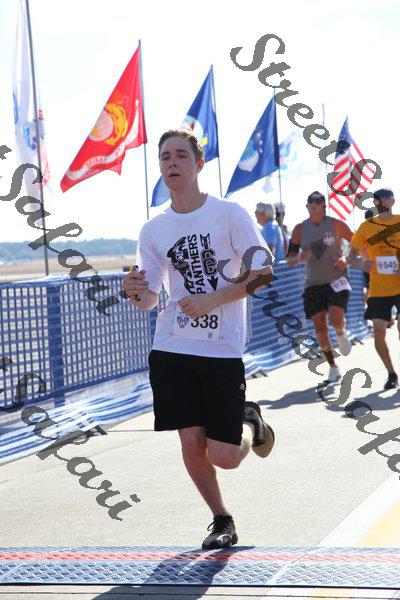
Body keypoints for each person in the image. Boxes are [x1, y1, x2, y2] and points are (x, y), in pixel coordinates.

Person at [123, 128, 275, 550]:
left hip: (221, 348)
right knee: (191, 442)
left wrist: (213, 299)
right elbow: (150, 299)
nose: (172, 163)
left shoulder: (229, 215)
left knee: (225, 456)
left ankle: (250, 420)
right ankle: (221, 519)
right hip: (171, 346)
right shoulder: (153, 229)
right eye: (165, 157)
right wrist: (135, 290)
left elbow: (263, 273)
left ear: (199, 163)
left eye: (181, 155)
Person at [286, 191, 353, 383]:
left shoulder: (336, 224)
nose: (314, 204)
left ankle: (340, 332)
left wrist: (346, 259)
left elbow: (357, 242)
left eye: (318, 201)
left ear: (324, 206)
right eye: (310, 201)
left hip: (336, 279)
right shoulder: (300, 229)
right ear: (307, 206)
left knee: (336, 320)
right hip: (313, 284)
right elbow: (290, 259)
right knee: (320, 328)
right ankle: (333, 367)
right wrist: (300, 258)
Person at [348, 188, 400, 390]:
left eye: (384, 200)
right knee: (378, 332)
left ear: (392, 201)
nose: (381, 203)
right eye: (377, 200)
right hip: (378, 289)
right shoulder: (367, 227)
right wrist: (361, 263)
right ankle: (391, 373)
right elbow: (351, 256)